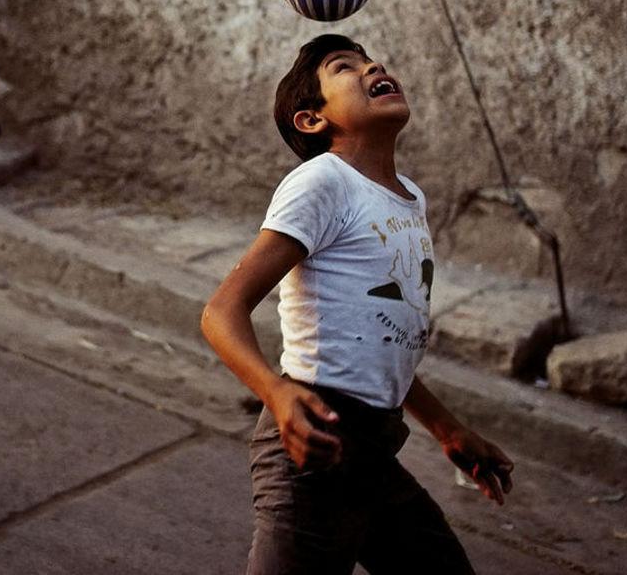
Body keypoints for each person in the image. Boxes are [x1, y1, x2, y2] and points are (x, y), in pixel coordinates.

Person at [201, 34, 514, 574]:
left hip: (373, 455)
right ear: (311, 120)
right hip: (313, 453)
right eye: (346, 67)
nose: (373, 65)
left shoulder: (409, 197)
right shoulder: (322, 182)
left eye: (372, 59)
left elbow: (376, 337)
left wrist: (447, 428)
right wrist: (277, 395)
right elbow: (221, 311)